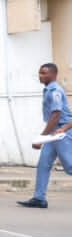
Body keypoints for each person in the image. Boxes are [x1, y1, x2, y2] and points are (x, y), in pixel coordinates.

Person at [17, 63, 72, 209]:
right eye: (40, 73)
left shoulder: (54, 91)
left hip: (61, 133)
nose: (40, 76)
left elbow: (56, 115)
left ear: (53, 75)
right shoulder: (48, 90)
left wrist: (41, 137)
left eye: (44, 73)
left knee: (70, 166)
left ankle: (39, 197)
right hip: (54, 132)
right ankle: (39, 198)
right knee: (43, 164)